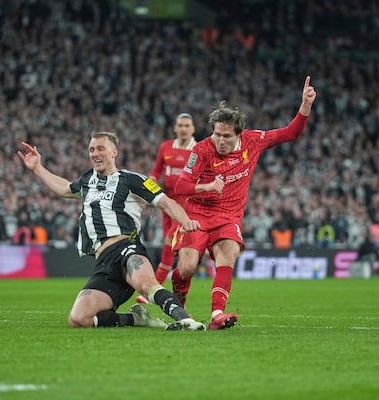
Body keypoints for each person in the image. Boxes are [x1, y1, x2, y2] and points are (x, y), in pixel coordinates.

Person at [17, 131, 206, 331]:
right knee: (79, 319)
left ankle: (186, 320)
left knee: (146, 284)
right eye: (91, 149)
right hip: (104, 263)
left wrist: (185, 220)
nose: (95, 153)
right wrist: (37, 167)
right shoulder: (87, 180)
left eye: (100, 148)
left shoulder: (132, 180)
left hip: (127, 249)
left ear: (114, 152)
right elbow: (64, 188)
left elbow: (166, 202)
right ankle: (137, 319)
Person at [171, 76, 317, 329]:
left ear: (238, 133)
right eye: (217, 134)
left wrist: (305, 105)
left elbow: (290, 133)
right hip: (196, 215)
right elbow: (179, 186)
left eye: (227, 136)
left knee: (227, 257)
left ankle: (217, 314)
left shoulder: (253, 140)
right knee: (187, 268)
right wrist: (206, 186)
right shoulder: (202, 150)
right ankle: (178, 304)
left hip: (228, 216)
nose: (221, 141)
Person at [136, 112, 198, 304]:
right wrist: (149, 188)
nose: (183, 129)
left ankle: (153, 290)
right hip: (166, 204)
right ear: (175, 128)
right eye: (180, 125)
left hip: (185, 206)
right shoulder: (165, 147)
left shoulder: (198, 150)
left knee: (168, 246)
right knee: (169, 247)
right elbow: (156, 172)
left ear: (193, 129)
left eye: (187, 126)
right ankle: (165, 287)